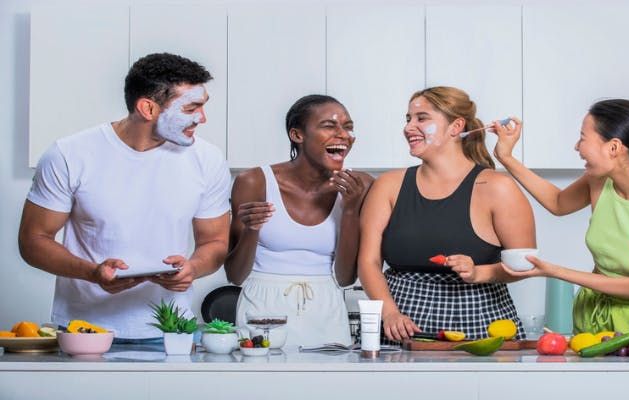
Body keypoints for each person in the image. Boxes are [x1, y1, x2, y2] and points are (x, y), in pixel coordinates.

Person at [18, 53, 231, 341]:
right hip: (84, 331)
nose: (202, 118)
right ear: (148, 108)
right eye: (191, 108)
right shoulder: (69, 154)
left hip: (174, 333)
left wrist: (192, 268)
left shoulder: (208, 158)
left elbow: (215, 242)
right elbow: (33, 241)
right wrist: (92, 272)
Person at [493, 99, 629, 334]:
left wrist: (553, 271)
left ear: (614, 147)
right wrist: (506, 157)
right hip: (594, 311)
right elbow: (557, 203)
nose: (577, 147)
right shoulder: (600, 180)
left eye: (583, 138)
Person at [357, 86, 536, 343]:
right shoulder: (388, 185)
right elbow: (368, 262)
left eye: (422, 118)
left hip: (481, 325)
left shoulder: (498, 188)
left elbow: (525, 266)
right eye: (407, 119)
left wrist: (479, 273)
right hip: (400, 328)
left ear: (456, 127)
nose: (408, 128)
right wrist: (390, 314)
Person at [224, 94, 373, 346]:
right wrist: (252, 230)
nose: (343, 134)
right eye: (329, 125)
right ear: (297, 135)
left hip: (327, 308)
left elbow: (346, 278)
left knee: (329, 384)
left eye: (348, 127)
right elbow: (235, 276)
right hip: (263, 306)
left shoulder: (361, 186)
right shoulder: (255, 181)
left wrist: (349, 210)